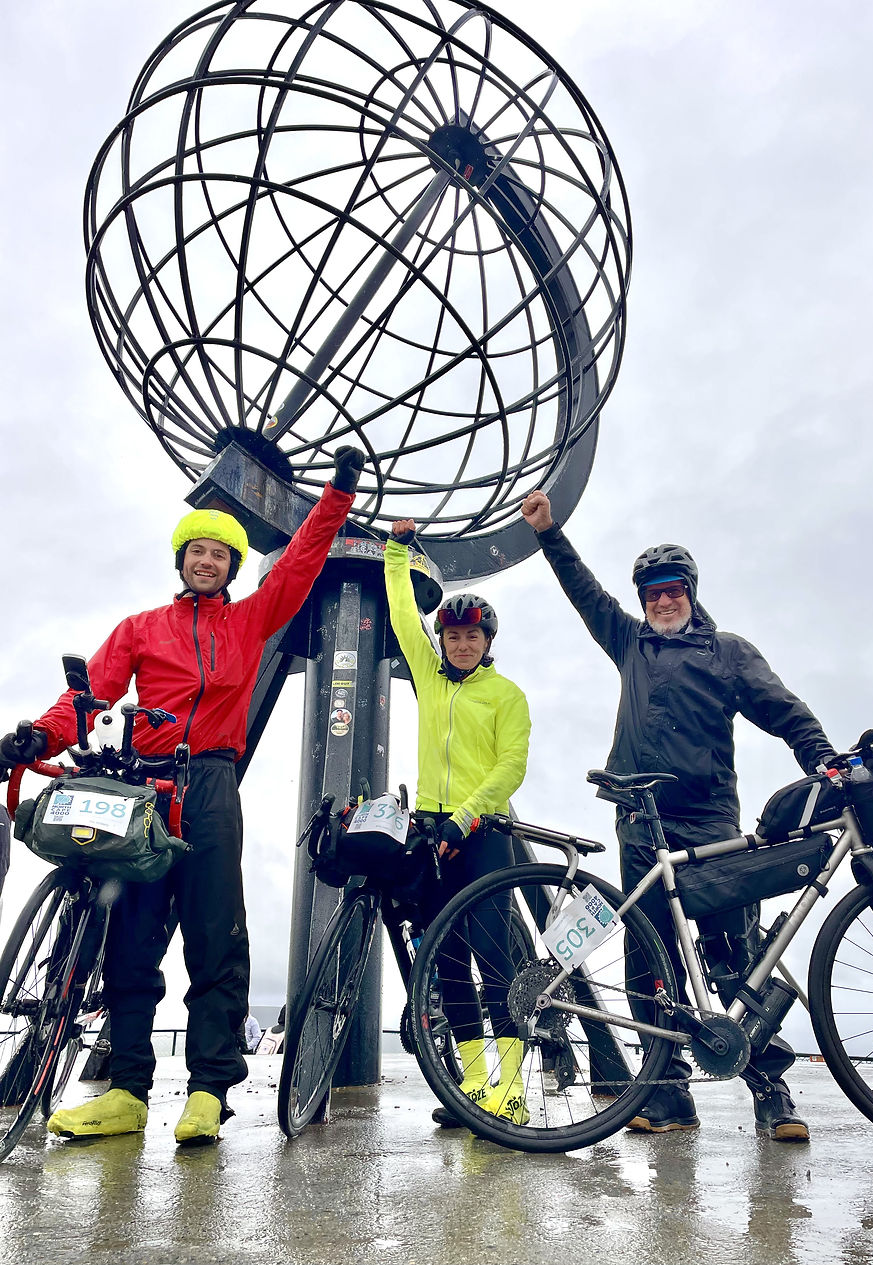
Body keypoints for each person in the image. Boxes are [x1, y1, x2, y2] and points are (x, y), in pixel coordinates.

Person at [0, 446, 365, 1147]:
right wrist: (37, 740)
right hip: (144, 786)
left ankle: (207, 1090)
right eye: (197, 551)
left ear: (231, 567)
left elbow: (301, 562)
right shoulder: (141, 629)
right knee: (131, 941)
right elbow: (87, 699)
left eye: (220, 554)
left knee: (215, 935)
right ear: (182, 561)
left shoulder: (251, 619)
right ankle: (128, 1091)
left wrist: (337, 495)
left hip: (212, 785)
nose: (208, 561)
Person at [521, 489, 837, 1142]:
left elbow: (783, 709)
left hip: (710, 822)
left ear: (690, 591)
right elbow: (585, 594)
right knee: (650, 963)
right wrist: (549, 533)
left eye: (672, 589)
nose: (662, 601)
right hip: (641, 825)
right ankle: (668, 1100)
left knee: (734, 959)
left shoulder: (726, 651)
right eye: (652, 592)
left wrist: (824, 759)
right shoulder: (631, 643)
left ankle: (770, 1089)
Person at [384, 519, 531, 1127]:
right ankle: (472, 1085)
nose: (461, 644)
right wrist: (397, 551)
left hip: (483, 835)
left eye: (472, 636)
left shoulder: (507, 696)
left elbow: (509, 768)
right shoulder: (430, 678)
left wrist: (465, 819)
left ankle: (513, 1087)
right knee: (446, 961)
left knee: (497, 958)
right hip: (430, 831)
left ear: (487, 641)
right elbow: (400, 614)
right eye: (453, 635)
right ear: (441, 640)